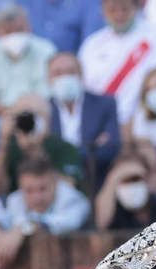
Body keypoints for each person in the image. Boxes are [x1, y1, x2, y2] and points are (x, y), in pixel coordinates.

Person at [0, 6, 57, 176]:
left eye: (19, 29)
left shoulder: (46, 49)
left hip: (41, 116)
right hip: (4, 117)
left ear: (29, 27)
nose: (15, 35)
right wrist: (15, 116)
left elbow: (49, 96)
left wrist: (27, 113)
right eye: (8, 31)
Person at [0, 156, 91, 269]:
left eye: (42, 189)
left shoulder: (73, 198)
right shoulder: (16, 199)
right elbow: (3, 217)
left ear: (55, 184)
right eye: (29, 190)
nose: (36, 197)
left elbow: (69, 222)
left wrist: (25, 229)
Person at [79, 0, 156, 127]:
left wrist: (136, 121)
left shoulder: (155, 37)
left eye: (124, 9)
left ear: (137, 8)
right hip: (99, 123)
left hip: (140, 122)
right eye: (112, 10)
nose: (118, 15)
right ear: (103, 11)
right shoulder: (92, 43)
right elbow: (84, 87)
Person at [46, 50, 121, 191]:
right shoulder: (44, 109)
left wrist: (64, 158)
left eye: (71, 71)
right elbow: (41, 154)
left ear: (81, 74)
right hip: (54, 187)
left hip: (96, 182)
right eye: (58, 73)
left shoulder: (105, 104)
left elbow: (110, 149)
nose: (65, 77)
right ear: (48, 79)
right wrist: (91, 147)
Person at [0, 93, 85, 195]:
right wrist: (3, 140)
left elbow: (70, 187)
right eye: (22, 116)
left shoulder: (64, 147)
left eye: (34, 116)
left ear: (48, 119)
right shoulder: (9, 146)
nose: (28, 122)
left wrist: (35, 151)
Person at [95, 151, 156, 228]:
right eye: (125, 180)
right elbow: (100, 224)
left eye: (136, 179)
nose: (131, 185)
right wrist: (113, 178)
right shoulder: (114, 209)